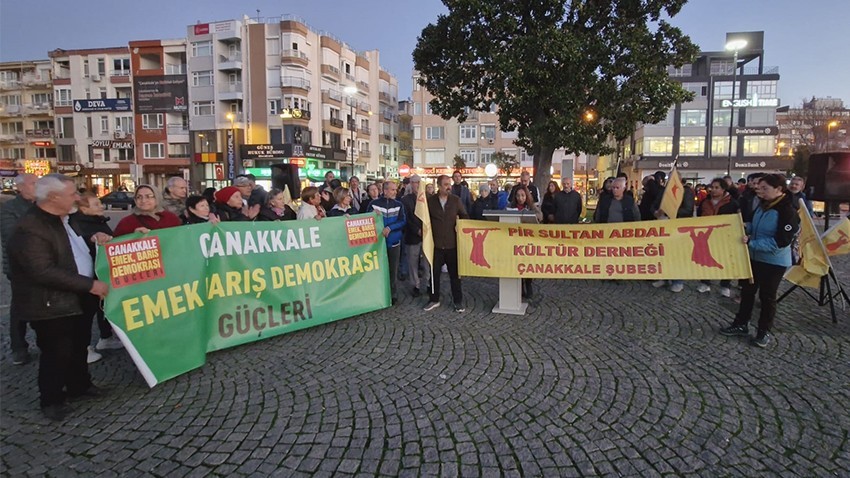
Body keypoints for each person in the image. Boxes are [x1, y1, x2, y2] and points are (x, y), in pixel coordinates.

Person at [8, 174, 110, 421]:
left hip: (78, 296)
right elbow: (42, 271)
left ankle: (80, 385)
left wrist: (92, 239)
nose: (77, 197)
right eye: (72, 193)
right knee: (57, 351)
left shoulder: (64, 219)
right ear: (53, 197)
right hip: (51, 302)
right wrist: (90, 285)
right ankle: (52, 400)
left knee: (78, 344)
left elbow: (71, 250)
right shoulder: (30, 228)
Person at [720, 174, 799, 348]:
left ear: (778, 189)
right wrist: (744, 226)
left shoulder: (787, 211)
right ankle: (741, 323)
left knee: (767, 296)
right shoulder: (763, 206)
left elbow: (782, 241)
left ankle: (763, 332)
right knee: (747, 291)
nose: (760, 191)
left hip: (773, 262)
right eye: (759, 188)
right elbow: (755, 226)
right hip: (754, 257)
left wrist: (752, 243)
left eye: (765, 188)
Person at [0, 173, 37, 365]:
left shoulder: (39, 205)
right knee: (20, 308)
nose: (37, 186)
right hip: (19, 268)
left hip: (42, 265)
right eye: (33, 183)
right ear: (20, 187)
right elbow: (12, 237)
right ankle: (18, 347)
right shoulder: (10, 209)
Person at [424, 175, 469, 312]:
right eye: (445, 184)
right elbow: (425, 219)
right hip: (436, 244)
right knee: (434, 275)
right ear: (438, 185)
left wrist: (460, 226)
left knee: (455, 276)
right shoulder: (430, 201)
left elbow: (465, 216)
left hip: (452, 244)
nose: (448, 187)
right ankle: (434, 299)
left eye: (449, 184)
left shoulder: (456, 200)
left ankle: (458, 301)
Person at [696, 178, 741, 297]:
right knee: (706, 259)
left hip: (725, 237)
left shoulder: (732, 203)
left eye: (717, 188)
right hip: (707, 236)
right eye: (712, 187)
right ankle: (705, 283)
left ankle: (725, 285)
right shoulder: (705, 202)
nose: (713, 190)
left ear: (723, 189)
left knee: (726, 260)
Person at [367, 181, 407, 304]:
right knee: (377, 270)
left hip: (394, 242)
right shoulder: (374, 204)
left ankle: (393, 294)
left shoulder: (399, 204)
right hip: (377, 243)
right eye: (392, 190)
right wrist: (374, 216)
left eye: (395, 190)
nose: (395, 192)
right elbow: (366, 219)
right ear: (384, 191)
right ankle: (377, 293)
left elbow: (403, 220)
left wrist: (390, 228)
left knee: (393, 270)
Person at [400, 174, 431, 297]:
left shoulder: (428, 198)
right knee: (412, 262)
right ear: (410, 184)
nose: (416, 184)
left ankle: (429, 283)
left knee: (427, 262)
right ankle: (415, 285)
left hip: (427, 235)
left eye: (418, 182)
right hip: (412, 235)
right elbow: (406, 218)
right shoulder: (405, 200)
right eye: (414, 182)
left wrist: (426, 229)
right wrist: (417, 230)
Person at [113, 185, 183, 237]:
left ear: (157, 198)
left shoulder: (170, 218)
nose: (143, 200)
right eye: (139, 197)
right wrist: (133, 237)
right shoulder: (127, 222)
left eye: (148, 196)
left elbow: (181, 239)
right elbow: (115, 246)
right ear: (135, 200)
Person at [512, 186, 543, 299]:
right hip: (514, 241)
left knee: (527, 264)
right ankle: (519, 288)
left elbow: (540, 216)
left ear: (526, 196)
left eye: (523, 195)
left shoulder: (531, 207)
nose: (520, 198)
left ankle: (528, 286)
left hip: (527, 241)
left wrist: (532, 215)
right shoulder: (511, 207)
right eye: (518, 196)